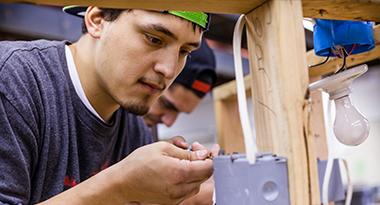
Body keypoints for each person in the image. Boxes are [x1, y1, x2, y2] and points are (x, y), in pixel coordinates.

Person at [0, 6, 219, 205]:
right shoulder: (12, 79)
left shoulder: (134, 130)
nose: (169, 70)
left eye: (184, 52)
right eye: (154, 39)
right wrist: (122, 184)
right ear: (97, 20)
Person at [142, 38, 217, 205]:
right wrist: (193, 199)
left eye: (181, 113)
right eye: (167, 104)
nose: (169, 122)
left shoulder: (143, 129)